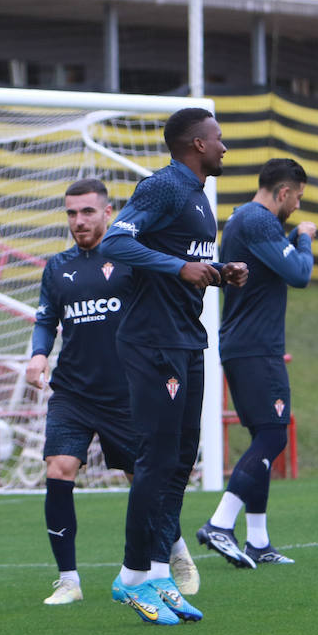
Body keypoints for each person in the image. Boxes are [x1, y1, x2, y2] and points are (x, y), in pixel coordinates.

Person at [99, 107, 248, 626]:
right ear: (197, 144)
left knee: (182, 460)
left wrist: (218, 272)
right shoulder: (164, 186)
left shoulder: (199, 199)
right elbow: (115, 241)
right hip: (151, 342)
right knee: (156, 462)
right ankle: (131, 576)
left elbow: (184, 261)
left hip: (187, 339)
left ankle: (160, 572)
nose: (225, 147)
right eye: (219, 138)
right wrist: (180, 266)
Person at [25, 178, 200, 606]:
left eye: (87, 212)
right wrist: (38, 354)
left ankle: (173, 551)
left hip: (128, 392)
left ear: (108, 213)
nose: (78, 221)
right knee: (60, 467)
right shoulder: (58, 267)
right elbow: (47, 318)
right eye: (71, 213)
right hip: (73, 393)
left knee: (142, 480)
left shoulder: (131, 260)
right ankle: (68, 580)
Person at [198, 158, 315, 569]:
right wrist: (303, 238)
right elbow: (300, 274)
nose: (298, 206)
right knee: (273, 436)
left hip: (246, 345)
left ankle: (259, 542)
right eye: (297, 197)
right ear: (283, 192)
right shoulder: (259, 220)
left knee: (264, 437)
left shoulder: (245, 221)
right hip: (255, 348)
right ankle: (220, 522)